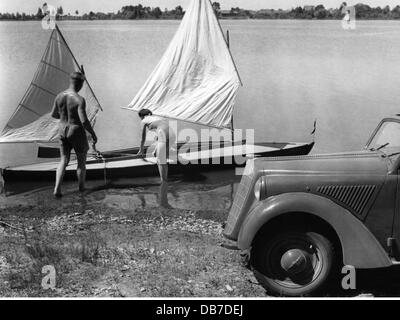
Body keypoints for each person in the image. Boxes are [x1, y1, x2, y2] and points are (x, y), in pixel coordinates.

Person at [50, 71, 97, 197]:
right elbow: (84, 121)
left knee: (63, 160)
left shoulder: (59, 96)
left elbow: (54, 114)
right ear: (81, 83)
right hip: (75, 130)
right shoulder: (79, 99)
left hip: (61, 129)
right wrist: (93, 134)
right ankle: (81, 189)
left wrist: (66, 115)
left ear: (70, 81)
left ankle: (57, 189)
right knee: (81, 161)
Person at [137, 109, 175, 208]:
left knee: (160, 161)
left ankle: (164, 184)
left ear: (141, 116)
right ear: (149, 114)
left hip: (163, 135)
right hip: (172, 135)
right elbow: (160, 132)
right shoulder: (158, 118)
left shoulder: (144, 121)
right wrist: (156, 149)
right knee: (160, 156)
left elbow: (142, 138)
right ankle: (164, 194)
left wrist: (141, 150)